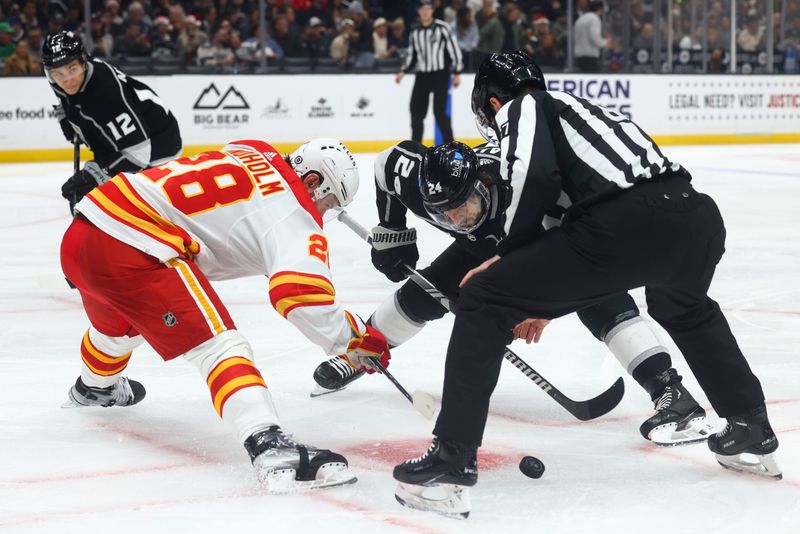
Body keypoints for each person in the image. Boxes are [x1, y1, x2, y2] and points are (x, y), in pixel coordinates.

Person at [392, 51, 782, 517]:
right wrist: (543, 296)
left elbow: (530, 180)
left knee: (482, 298)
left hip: (628, 224)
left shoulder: (525, 106)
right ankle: (751, 431)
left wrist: (503, 261)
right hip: (695, 218)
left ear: (492, 102)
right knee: (684, 309)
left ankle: (450, 461)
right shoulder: (588, 114)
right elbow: (569, 231)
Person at [312, 138, 710, 446]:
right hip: (488, 243)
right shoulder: (428, 184)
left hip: (542, 235)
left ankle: (672, 392)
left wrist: (544, 308)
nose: (455, 219)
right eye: (443, 213)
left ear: (484, 187)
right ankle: (362, 352)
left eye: (462, 208)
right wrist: (393, 228)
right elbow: (386, 163)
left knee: (603, 299)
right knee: (427, 291)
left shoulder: (530, 192)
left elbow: (577, 253)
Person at [60, 137, 392, 492]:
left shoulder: (251, 148)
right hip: (137, 245)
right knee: (219, 345)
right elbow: (299, 296)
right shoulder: (297, 219)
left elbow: (239, 215)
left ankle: (95, 387)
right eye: (328, 202)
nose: (323, 214)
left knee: (119, 328)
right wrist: (356, 338)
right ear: (312, 181)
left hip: (85, 231)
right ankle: (269, 446)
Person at [42, 31, 182, 213]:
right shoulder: (63, 81)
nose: (67, 80)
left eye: (72, 69)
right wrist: (69, 118)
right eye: (57, 74)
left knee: (126, 215)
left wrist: (95, 176)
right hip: (126, 144)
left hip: (159, 148)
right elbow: (72, 100)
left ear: (84, 62)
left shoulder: (105, 92)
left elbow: (139, 153)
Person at [396, 0, 463, 144]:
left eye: (428, 8)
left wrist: (457, 72)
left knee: (439, 112)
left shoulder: (442, 28)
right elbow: (412, 54)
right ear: (418, 11)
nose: (425, 11)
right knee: (416, 111)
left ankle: (450, 144)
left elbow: (454, 50)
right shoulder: (415, 30)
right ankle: (416, 145)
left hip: (440, 73)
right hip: (422, 75)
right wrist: (404, 70)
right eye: (422, 9)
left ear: (432, 10)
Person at [574, 0, 608, 72]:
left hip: (579, 55)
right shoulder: (594, 19)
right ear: (599, 8)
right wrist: (606, 43)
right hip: (590, 56)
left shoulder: (581, 18)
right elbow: (594, 37)